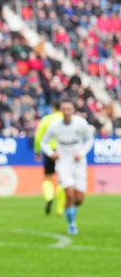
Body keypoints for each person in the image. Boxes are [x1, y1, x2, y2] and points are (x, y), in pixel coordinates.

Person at [40, 100, 93, 235]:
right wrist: (51, 154)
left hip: (78, 162)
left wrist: (81, 153)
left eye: (69, 109)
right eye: (64, 109)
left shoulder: (81, 123)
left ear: (73, 110)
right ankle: (71, 225)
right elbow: (43, 142)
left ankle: (69, 210)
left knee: (79, 199)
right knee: (69, 193)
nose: (66, 112)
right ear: (61, 110)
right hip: (63, 161)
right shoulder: (54, 126)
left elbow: (90, 139)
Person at [34, 102, 65, 216]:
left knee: (47, 177)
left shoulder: (47, 119)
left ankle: (49, 197)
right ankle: (60, 209)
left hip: (49, 151)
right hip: (62, 151)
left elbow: (38, 136)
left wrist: (37, 150)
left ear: (53, 108)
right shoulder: (65, 119)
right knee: (62, 179)